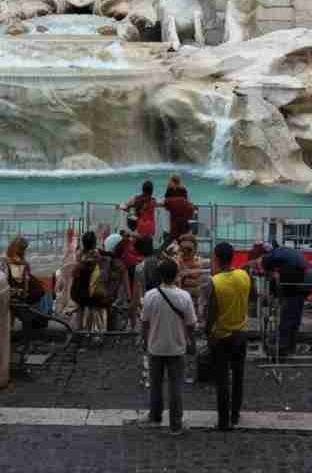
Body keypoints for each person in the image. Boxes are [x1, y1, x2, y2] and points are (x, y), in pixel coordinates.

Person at [133, 258, 196, 436]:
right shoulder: (185, 297)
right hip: (177, 346)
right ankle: (176, 424)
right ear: (176, 275)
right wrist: (190, 340)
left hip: (155, 346)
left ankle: (155, 416)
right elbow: (191, 323)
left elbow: (144, 323)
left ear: (160, 276)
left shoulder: (151, 296)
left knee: (155, 384)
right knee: (176, 386)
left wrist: (144, 340)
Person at [207, 242, 252, 431]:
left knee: (222, 379)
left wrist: (208, 333)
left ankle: (223, 420)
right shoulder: (244, 276)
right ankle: (235, 414)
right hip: (241, 333)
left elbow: (211, 313)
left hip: (221, 336)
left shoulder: (215, 282)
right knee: (239, 375)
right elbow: (252, 297)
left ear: (216, 258)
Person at [252, 242, 312, 358]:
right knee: (294, 315)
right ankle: (290, 347)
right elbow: (277, 275)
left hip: (299, 280)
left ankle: (281, 350)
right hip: (307, 278)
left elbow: (270, 274)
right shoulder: (282, 251)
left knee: (288, 316)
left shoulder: (269, 257)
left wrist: (273, 294)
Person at [71, 231, 115, 335]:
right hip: (91, 292)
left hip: (77, 291)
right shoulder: (96, 255)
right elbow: (105, 260)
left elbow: (76, 271)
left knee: (80, 308)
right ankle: (90, 330)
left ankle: (79, 331)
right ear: (94, 243)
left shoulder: (79, 254)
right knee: (93, 306)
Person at [162, 175, 196, 243]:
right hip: (182, 218)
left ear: (172, 181)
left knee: (171, 235)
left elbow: (166, 202)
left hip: (172, 216)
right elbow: (186, 202)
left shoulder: (170, 189)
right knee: (180, 236)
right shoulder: (183, 190)